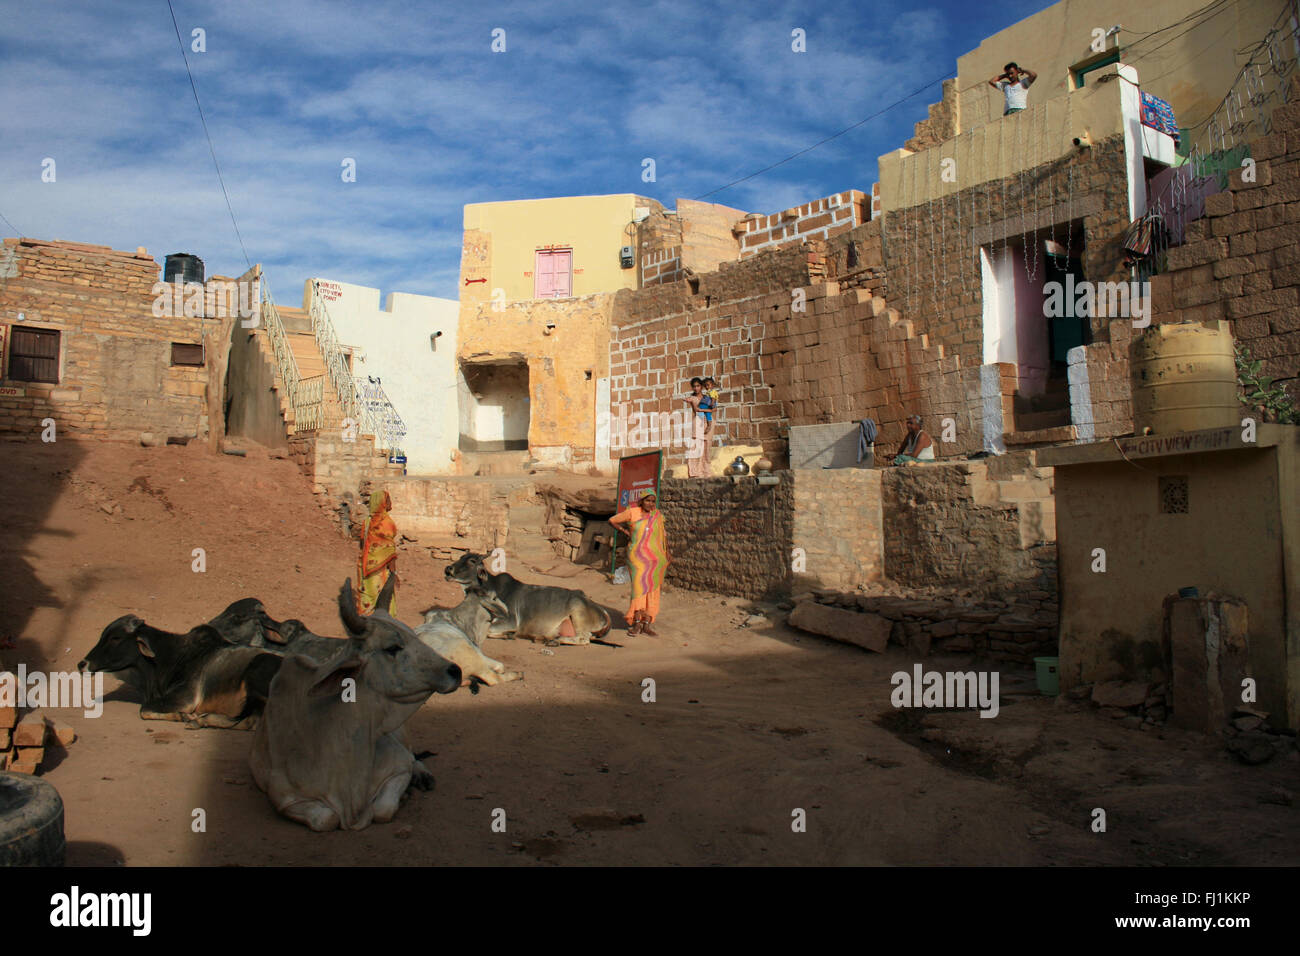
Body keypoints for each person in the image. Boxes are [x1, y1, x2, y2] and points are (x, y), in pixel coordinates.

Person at [610, 492, 670, 636]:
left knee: (653, 591)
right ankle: (636, 623)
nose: (650, 504)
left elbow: (664, 535)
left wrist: (667, 552)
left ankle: (647, 624)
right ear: (641, 501)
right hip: (637, 557)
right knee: (639, 590)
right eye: (648, 500)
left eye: (653, 501)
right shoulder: (632, 513)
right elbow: (612, 520)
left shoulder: (657, 516)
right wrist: (625, 531)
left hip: (655, 558)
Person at [356, 489, 399, 615]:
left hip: (364, 567)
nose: (390, 503)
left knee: (367, 597)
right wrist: (393, 573)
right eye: (388, 500)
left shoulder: (367, 521)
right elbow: (389, 550)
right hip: (379, 570)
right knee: (384, 600)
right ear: (382, 503)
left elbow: (362, 544)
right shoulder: (386, 523)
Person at [683, 377, 712, 478]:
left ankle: (705, 471)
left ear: (701, 386)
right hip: (698, 421)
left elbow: (713, 408)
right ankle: (695, 472)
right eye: (694, 386)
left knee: (706, 446)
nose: (696, 388)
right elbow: (697, 410)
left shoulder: (707, 397)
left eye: (698, 386)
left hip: (707, 421)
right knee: (696, 446)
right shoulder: (692, 398)